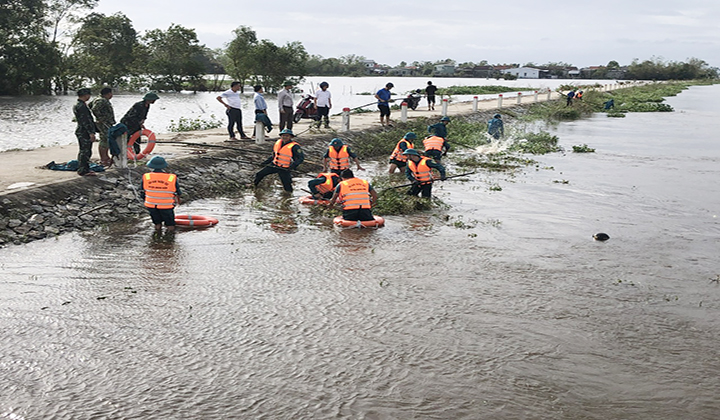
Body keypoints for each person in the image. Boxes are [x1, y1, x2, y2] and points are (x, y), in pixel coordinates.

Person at [140, 156, 181, 232]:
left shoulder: (146, 176)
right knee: (170, 224)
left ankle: (156, 237)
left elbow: (142, 191)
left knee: (157, 223)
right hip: (166, 206)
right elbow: (178, 192)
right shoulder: (171, 178)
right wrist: (178, 201)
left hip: (151, 205)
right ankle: (169, 240)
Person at [73, 88, 97, 176]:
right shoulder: (82, 106)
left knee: (84, 151)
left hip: (81, 130)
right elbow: (86, 121)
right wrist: (91, 133)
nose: (89, 96)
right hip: (84, 131)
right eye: (88, 95)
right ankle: (83, 170)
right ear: (85, 95)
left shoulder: (78, 104)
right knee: (85, 151)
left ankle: (84, 168)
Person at [89, 87, 115, 167]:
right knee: (104, 140)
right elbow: (94, 109)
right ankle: (103, 158)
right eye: (111, 93)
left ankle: (105, 157)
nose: (112, 95)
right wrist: (100, 118)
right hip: (104, 123)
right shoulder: (101, 100)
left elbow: (89, 105)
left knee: (106, 139)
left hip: (107, 122)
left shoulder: (98, 99)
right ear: (108, 94)